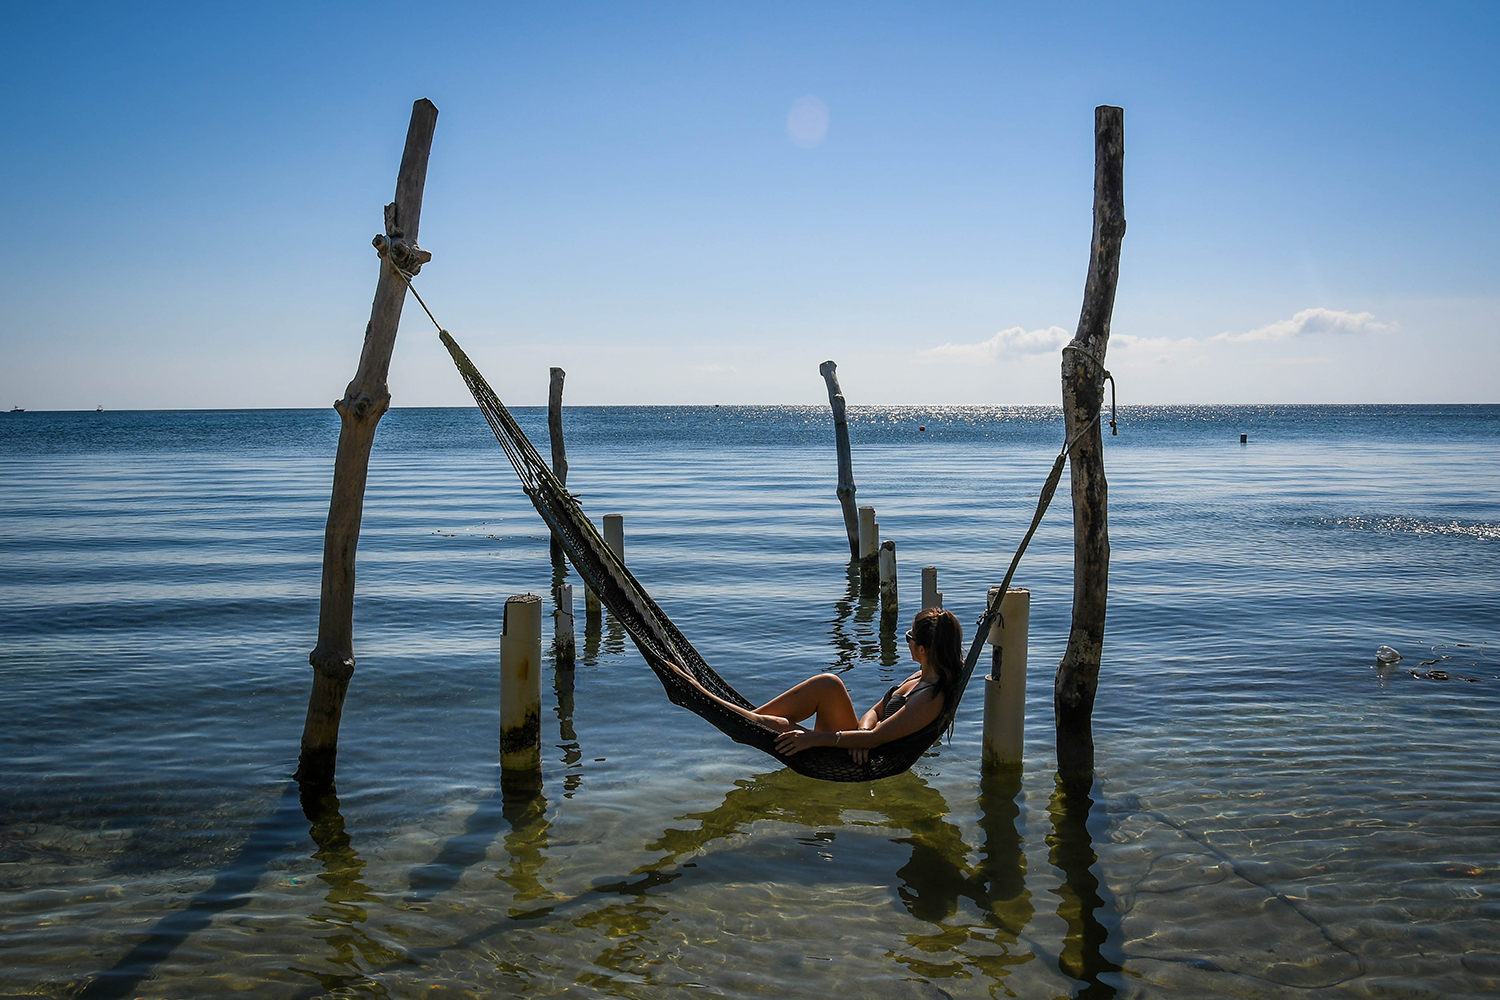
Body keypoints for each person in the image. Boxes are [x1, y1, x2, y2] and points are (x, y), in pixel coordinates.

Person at [665, 607, 965, 763]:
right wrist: (861, 732)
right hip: (854, 742)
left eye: (910, 638)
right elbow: (874, 714)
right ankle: (750, 719)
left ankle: (706, 697)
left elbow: (879, 738)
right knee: (828, 684)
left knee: (790, 719)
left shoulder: (929, 698)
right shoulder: (920, 676)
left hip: (860, 758)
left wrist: (814, 739)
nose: (907, 641)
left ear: (924, 650)